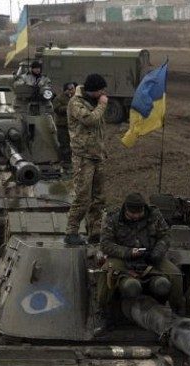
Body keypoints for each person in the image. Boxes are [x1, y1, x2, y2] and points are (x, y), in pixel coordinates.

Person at [99, 192, 185, 314]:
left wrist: (157, 252)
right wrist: (128, 252)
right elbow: (105, 244)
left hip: (151, 257)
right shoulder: (113, 218)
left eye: (139, 213)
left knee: (175, 274)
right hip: (123, 258)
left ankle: (178, 310)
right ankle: (103, 311)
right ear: (126, 210)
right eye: (132, 214)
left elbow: (165, 236)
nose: (136, 216)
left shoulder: (154, 215)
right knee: (107, 273)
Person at [64, 73, 108, 245]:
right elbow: (89, 120)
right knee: (83, 197)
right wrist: (102, 105)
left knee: (99, 197)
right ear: (92, 90)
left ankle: (95, 231)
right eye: (101, 90)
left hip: (98, 155)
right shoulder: (76, 103)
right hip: (83, 157)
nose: (103, 93)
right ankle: (71, 231)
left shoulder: (95, 102)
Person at [52, 81, 77, 172]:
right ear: (66, 90)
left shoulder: (75, 98)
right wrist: (69, 107)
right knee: (64, 145)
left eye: (73, 89)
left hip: (73, 125)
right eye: (70, 89)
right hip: (62, 125)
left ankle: (72, 162)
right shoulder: (58, 98)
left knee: (73, 144)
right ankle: (66, 164)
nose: (72, 91)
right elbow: (57, 109)